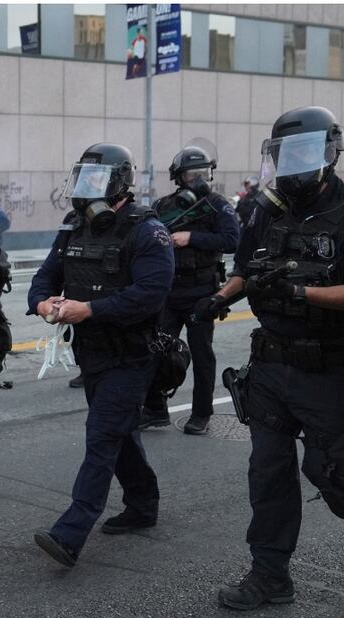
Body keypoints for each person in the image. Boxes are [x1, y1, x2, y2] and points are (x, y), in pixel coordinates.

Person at [198, 107, 344, 617]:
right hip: (270, 368)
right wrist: (220, 298)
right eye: (285, 155)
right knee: (267, 473)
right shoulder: (267, 210)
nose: (294, 165)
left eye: (304, 153)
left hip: (329, 371)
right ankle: (270, 574)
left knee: (341, 476)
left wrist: (302, 291)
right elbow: (246, 269)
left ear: (330, 153)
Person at [26, 143, 174, 568]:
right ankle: (143, 505)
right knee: (120, 431)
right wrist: (42, 304)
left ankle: (70, 533)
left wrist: (89, 309)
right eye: (83, 180)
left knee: (102, 433)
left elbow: (150, 293)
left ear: (120, 185)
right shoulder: (74, 227)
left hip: (131, 355)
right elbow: (45, 276)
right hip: (91, 353)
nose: (85, 191)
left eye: (96, 181)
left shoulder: (146, 230)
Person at [138, 145, 240, 435]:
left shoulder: (217, 205)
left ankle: (201, 414)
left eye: (203, 173)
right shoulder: (162, 207)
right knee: (157, 349)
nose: (198, 179)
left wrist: (190, 237)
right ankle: (155, 409)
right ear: (178, 177)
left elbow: (232, 239)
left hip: (201, 292)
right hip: (169, 291)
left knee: (202, 354)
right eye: (191, 174)